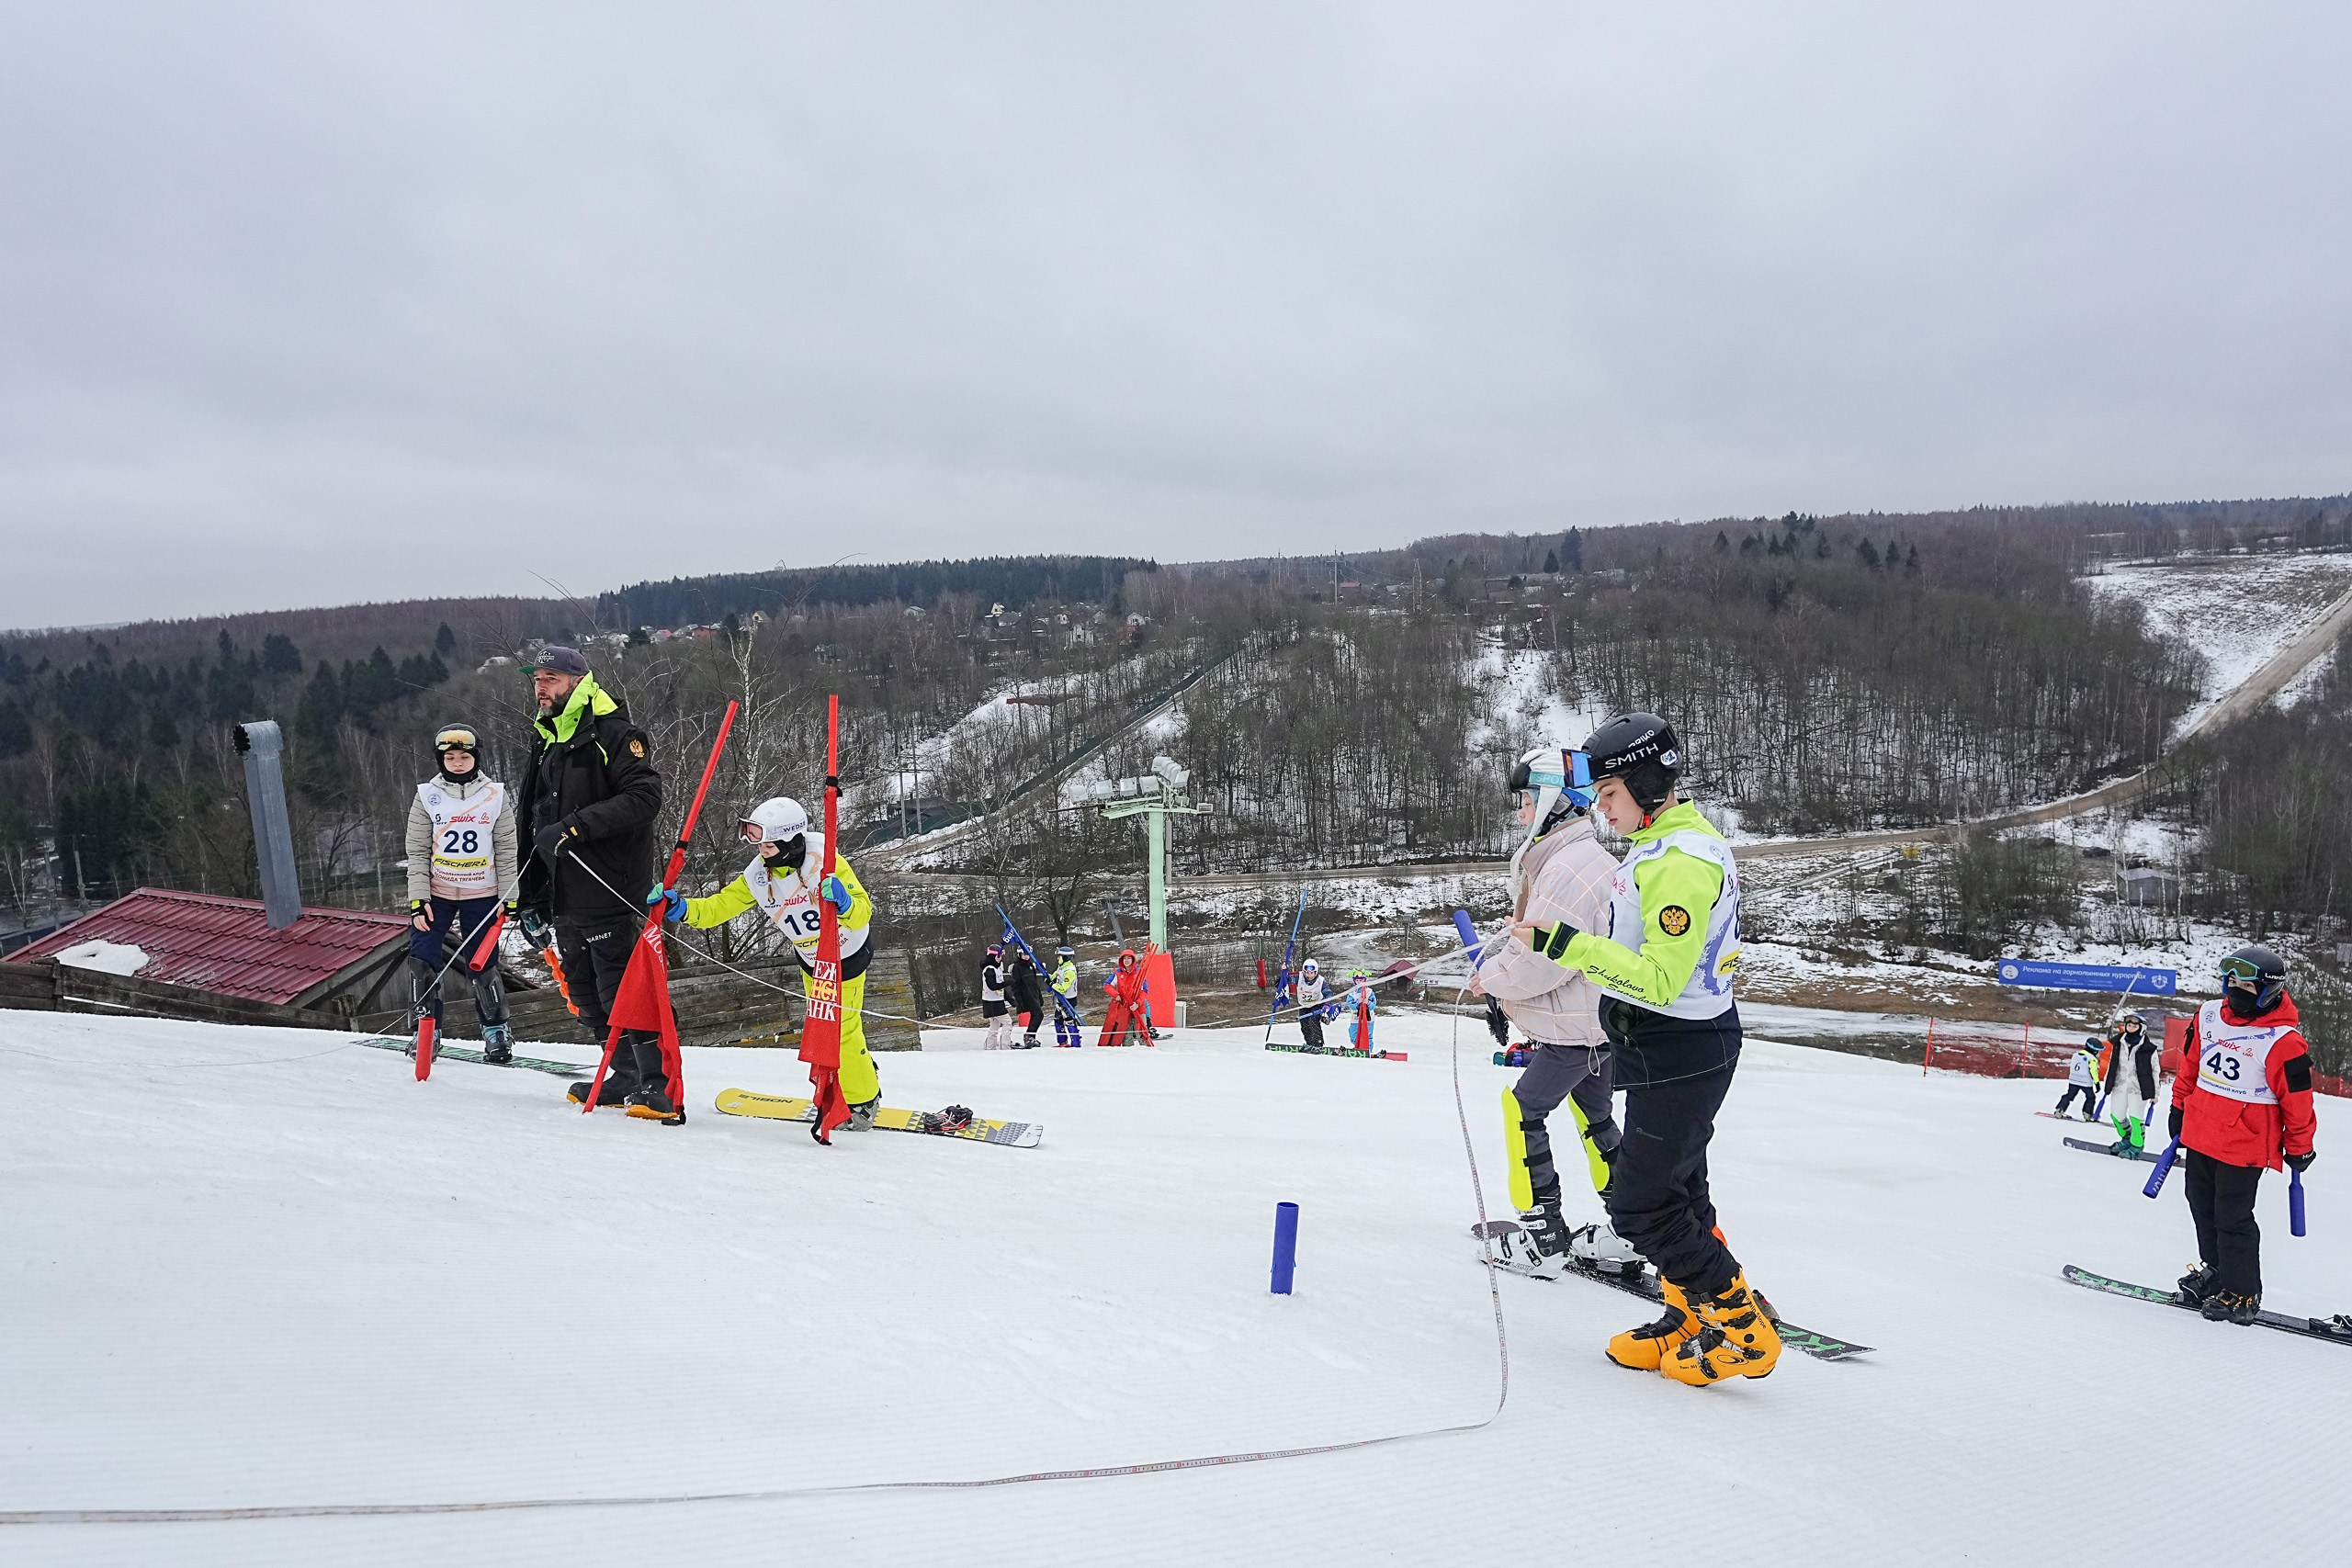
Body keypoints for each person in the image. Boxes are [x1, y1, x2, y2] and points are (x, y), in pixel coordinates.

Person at [1514, 712, 1778, 1387]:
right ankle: (1689, 1313)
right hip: (1665, 1046)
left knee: (1639, 1204)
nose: (1602, 809)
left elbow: (1660, 980)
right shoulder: (1660, 843)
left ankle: (1745, 1330)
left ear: (1646, 785)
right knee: (1680, 1191)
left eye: (1609, 795)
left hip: (1684, 1047)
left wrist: (1566, 945)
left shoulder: (1680, 861)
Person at [1471, 743, 1630, 1272]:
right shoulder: (1584, 858)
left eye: (1526, 801)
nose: (1520, 813)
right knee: (1596, 1116)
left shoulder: (1567, 869)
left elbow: (1542, 960)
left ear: (1553, 802)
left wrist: (1491, 981)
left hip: (1572, 1033)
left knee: (1523, 1109)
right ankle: (1631, 1229)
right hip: (1596, 1029)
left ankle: (1542, 1236)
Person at [659, 796, 883, 1127]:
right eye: (758, 845)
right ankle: (857, 1070)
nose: (762, 852)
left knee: (840, 1031)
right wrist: (682, 909)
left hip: (845, 954)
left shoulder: (825, 858)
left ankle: (863, 1101)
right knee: (825, 1029)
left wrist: (846, 903)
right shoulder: (758, 875)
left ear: (792, 843)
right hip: (811, 960)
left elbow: (863, 911)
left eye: (769, 846)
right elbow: (719, 907)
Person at [513, 646, 667, 1115]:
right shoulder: (547, 737)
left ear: (579, 681)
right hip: (564, 891)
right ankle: (623, 1075)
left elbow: (644, 798)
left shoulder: (614, 733)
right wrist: (530, 895)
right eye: (537, 679)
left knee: (623, 988)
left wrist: (576, 827)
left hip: (610, 886)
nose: (541, 688)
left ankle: (658, 1082)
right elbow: (533, 819)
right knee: (583, 990)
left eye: (551, 678)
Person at [2169, 945, 2318, 1325]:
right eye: (2231, 983)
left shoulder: (2284, 1041)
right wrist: (2179, 1107)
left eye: (2247, 987)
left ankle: (2243, 1292)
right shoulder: (2207, 1016)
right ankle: (2217, 1271)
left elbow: (2298, 1101)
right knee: (2200, 1204)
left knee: (2232, 1217)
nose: (2236, 992)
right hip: (2201, 1131)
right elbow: (2191, 1066)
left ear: (2268, 991)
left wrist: (2300, 1145)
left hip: (2245, 1144)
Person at [404, 723, 519, 1062]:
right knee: (422, 960)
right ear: (441, 759)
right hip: (437, 893)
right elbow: (417, 850)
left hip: (482, 892)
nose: (457, 763)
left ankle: (497, 1032)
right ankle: (426, 1032)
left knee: (483, 964)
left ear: (475, 758)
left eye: (464, 757)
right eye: (450, 757)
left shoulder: (495, 795)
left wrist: (510, 896)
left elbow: (507, 849)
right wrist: (418, 900)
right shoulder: (427, 795)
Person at [2101, 1012, 2162, 1153]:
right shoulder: (2118, 1043)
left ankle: (2137, 1145)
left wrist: (2155, 1093)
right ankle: (2127, 1138)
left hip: (2139, 1088)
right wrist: (2108, 1082)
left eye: (2135, 1026)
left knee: (2136, 1118)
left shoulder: (2148, 1048)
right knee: (2116, 1115)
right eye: (2129, 1025)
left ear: (2142, 1028)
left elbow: (2155, 1070)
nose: (2131, 1027)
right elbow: (2112, 1064)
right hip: (2120, 1085)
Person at [1098, 949, 1149, 1047]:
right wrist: (1116, 995)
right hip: (1124, 1008)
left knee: (1142, 1033)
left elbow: (1145, 991)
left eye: (1129, 958)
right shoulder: (1118, 973)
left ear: (1133, 960)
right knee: (1126, 1036)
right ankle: (1127, 1055)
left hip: (1138, 1007)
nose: (1126, 960)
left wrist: (1137, 1003)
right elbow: (1107, 985)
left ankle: (1147, 1054)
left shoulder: (1140, 973)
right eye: (1124, 958)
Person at [1006, 946, 1046, 1048]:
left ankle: (1031, 1037)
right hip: (1026, 996)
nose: (1026, 956)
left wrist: (1040, 997)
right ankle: (1028, 1036)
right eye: (1024, 954)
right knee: (1039, 1015)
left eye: (1028, 954)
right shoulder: (1017, 967)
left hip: (1034, 995)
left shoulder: (1031, 966)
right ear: (1020, 955)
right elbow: (1015, 985)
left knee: (1035, 1015)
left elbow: (1035, 983)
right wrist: (1019, 1000)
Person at [2056, 1040, 2101, 1121]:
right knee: (2090, 1097)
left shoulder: (2075, 1055)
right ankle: (2087, 1113)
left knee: (2069, 1095)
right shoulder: (2092, 1058)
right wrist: (2097, 1083)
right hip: (2085, 1082)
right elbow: (2093, 1071)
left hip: (2073, 1080)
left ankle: (2060, 1109)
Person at [979, 945, 1012, 1050]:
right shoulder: (989, 969)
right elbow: (993, 986)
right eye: (999, 956)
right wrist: (1008, 982)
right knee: (1007, 1022)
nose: (1001, 958)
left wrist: (1010, 1000)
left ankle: (989, 1047)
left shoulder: (998, 968)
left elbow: (1000, 988)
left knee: (995, 1024)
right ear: (993, 956)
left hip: (997, 1001)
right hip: (992, 1003)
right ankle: (1005, 1046)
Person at [1050, 945, 1082, 1047]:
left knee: (1069, 1021)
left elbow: (1063, 988)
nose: (1057, 959)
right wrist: (1048, 977)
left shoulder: (1069, 970)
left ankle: (1076, 1043)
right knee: (1058, 1020)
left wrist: (1052, 985)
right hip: (1060, 999)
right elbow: (1053, 977)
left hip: (1068, 1000)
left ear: (1065, 957)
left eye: (1059, 956)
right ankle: (1062, 1042)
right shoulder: (1061, 967)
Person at [1295, 957, 1329, 1048]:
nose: (1309, 975)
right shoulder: (1299, 977)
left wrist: (1327, 1004)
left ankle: (1318, 1044)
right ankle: (1309, 1043)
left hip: (1316, 1004)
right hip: (1303, 1005)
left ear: (1316, 972)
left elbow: (1328, 993)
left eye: (1312, 973)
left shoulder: (1321, 981)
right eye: (1307, 972)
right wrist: (1284, 972)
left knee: (1313, 1022)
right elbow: (1288, 979)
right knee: (1304, 1025)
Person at [1343, 969, 1376, 1051]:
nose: (1359, 982)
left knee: (1367, 1034)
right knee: (1353, 1034)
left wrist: (1368, 1002)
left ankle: (1368, 1049)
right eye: (1357, 980)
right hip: (1356, 1018)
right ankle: (1357, 1047)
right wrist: (1358, 1002)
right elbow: (1350, 1005)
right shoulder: (1352, 993)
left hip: (1368, 1018)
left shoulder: (1369, 992)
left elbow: (1373, 1005)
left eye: (1361, 980)